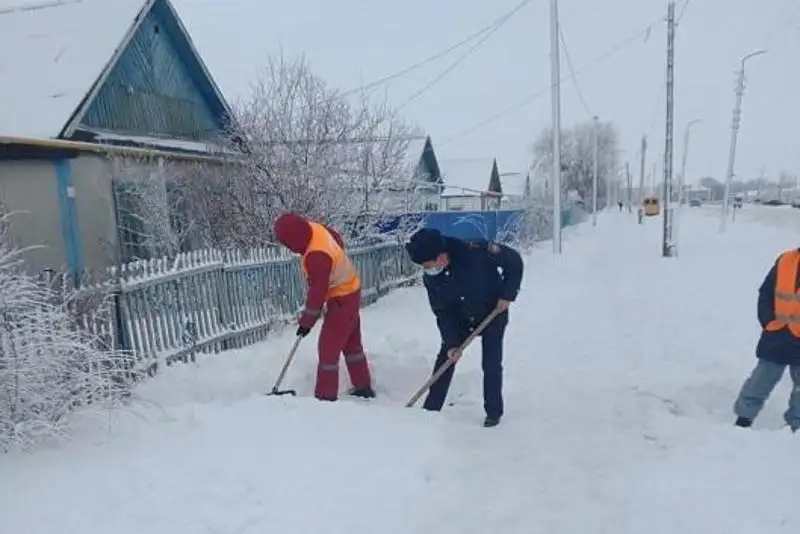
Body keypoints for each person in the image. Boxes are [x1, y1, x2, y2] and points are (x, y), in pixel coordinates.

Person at [405, 228, 523, 427]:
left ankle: (493, 411)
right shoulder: (432, 277)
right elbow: (442, 311)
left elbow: (514, 262)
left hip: (493, 311)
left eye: (428, 264)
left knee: (491, 362)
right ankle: (430, 410)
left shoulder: (476, 251)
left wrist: (508, 295)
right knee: (446, 358)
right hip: (459, 318)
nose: (427, 269)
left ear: (441, 256)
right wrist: (452, 343)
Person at [273, 212, 375, 401]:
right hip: (350, 288)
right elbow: (336, 240)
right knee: (351, 344)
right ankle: (363, 387)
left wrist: (307, 322)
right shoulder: (314, 229)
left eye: (287, 243)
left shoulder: (316, 257)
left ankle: (325, 399)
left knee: (328, 349)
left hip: (342, 298)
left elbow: (318, 292)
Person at [733, 248, 800, 432]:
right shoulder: (786, 259)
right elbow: (766, 292)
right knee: (760, 381)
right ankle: (743, 420)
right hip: (777, 335)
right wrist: (768, 320)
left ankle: (796, 429)